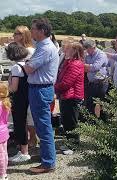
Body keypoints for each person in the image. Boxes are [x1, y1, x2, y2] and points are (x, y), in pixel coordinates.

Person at [23, 18, 59, 174]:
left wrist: (25, 63)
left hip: (40, 89)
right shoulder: (43, 46)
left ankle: (48, 163)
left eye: (33, 29)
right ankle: (46, 157)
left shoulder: (45, 48)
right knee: (42, 126)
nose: (31, 32)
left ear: (42, 31)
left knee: (44, 127)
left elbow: (29, 69)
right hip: (40, 88)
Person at [55, 42, 84, 154]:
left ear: (74, 51)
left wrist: (53, 88)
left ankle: (73, 145)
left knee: (72, 122)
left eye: (68, 49)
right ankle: (69, 142)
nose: (65, 50)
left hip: (72, 96)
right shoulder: (69, 62)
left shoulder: (75, 64)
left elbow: (66, 83)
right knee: (66, 121)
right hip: (66, 95)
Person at [11, 25, 37, 153]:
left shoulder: (30, 51)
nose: (14, 35)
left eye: (16, 33)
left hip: (27, 85)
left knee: (29, 114)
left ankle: (32, 139)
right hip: (20, 83)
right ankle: (23, 140)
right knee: (22, 116)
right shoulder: (18, 49)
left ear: (23, 35)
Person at [6, 42, 32, 163]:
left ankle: (24, 152)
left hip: (18, 99)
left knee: (19, 124)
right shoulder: (26, 64)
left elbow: (14, 88)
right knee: (23, 124)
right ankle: (23, 150)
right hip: (25, 98)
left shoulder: (16, 67)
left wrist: (5, 89)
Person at [83, 39, 109, 117]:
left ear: (93, 47)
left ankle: (104, 123)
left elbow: (95, 67)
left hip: (101, 83)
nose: (86, 50)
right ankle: (91, 123)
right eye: (86, 48)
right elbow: (84, 65)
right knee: (89, 104)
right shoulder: (87, 55)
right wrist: (87, 66)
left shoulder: (101, 54)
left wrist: (86, 66)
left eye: (88, 48)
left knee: (102, 105)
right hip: (91, 83)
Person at [0, 83, 11, 180]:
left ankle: (2, 174)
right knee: (4, 153)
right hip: (4, 132)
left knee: (0, 155)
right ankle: (4, 172)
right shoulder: (5, 103)